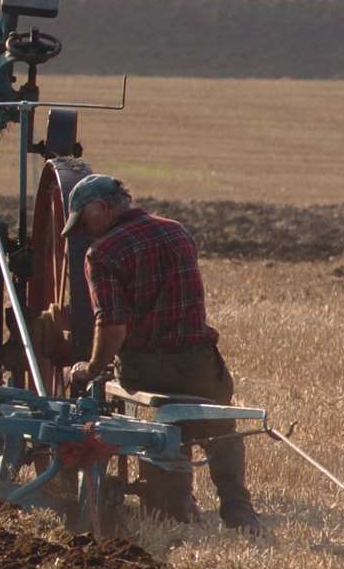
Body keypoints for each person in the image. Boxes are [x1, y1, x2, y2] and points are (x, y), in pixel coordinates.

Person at [63, 174, 262, 533]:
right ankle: (238, 509)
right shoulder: (177, 231)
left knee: (161, 423)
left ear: (101, 208)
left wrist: (92, 368)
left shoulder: (102, 253)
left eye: (83, 220)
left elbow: (113, 326)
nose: (83, 232)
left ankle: (175, 502)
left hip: (146, 366)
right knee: (221, 431)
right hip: (200, 360)